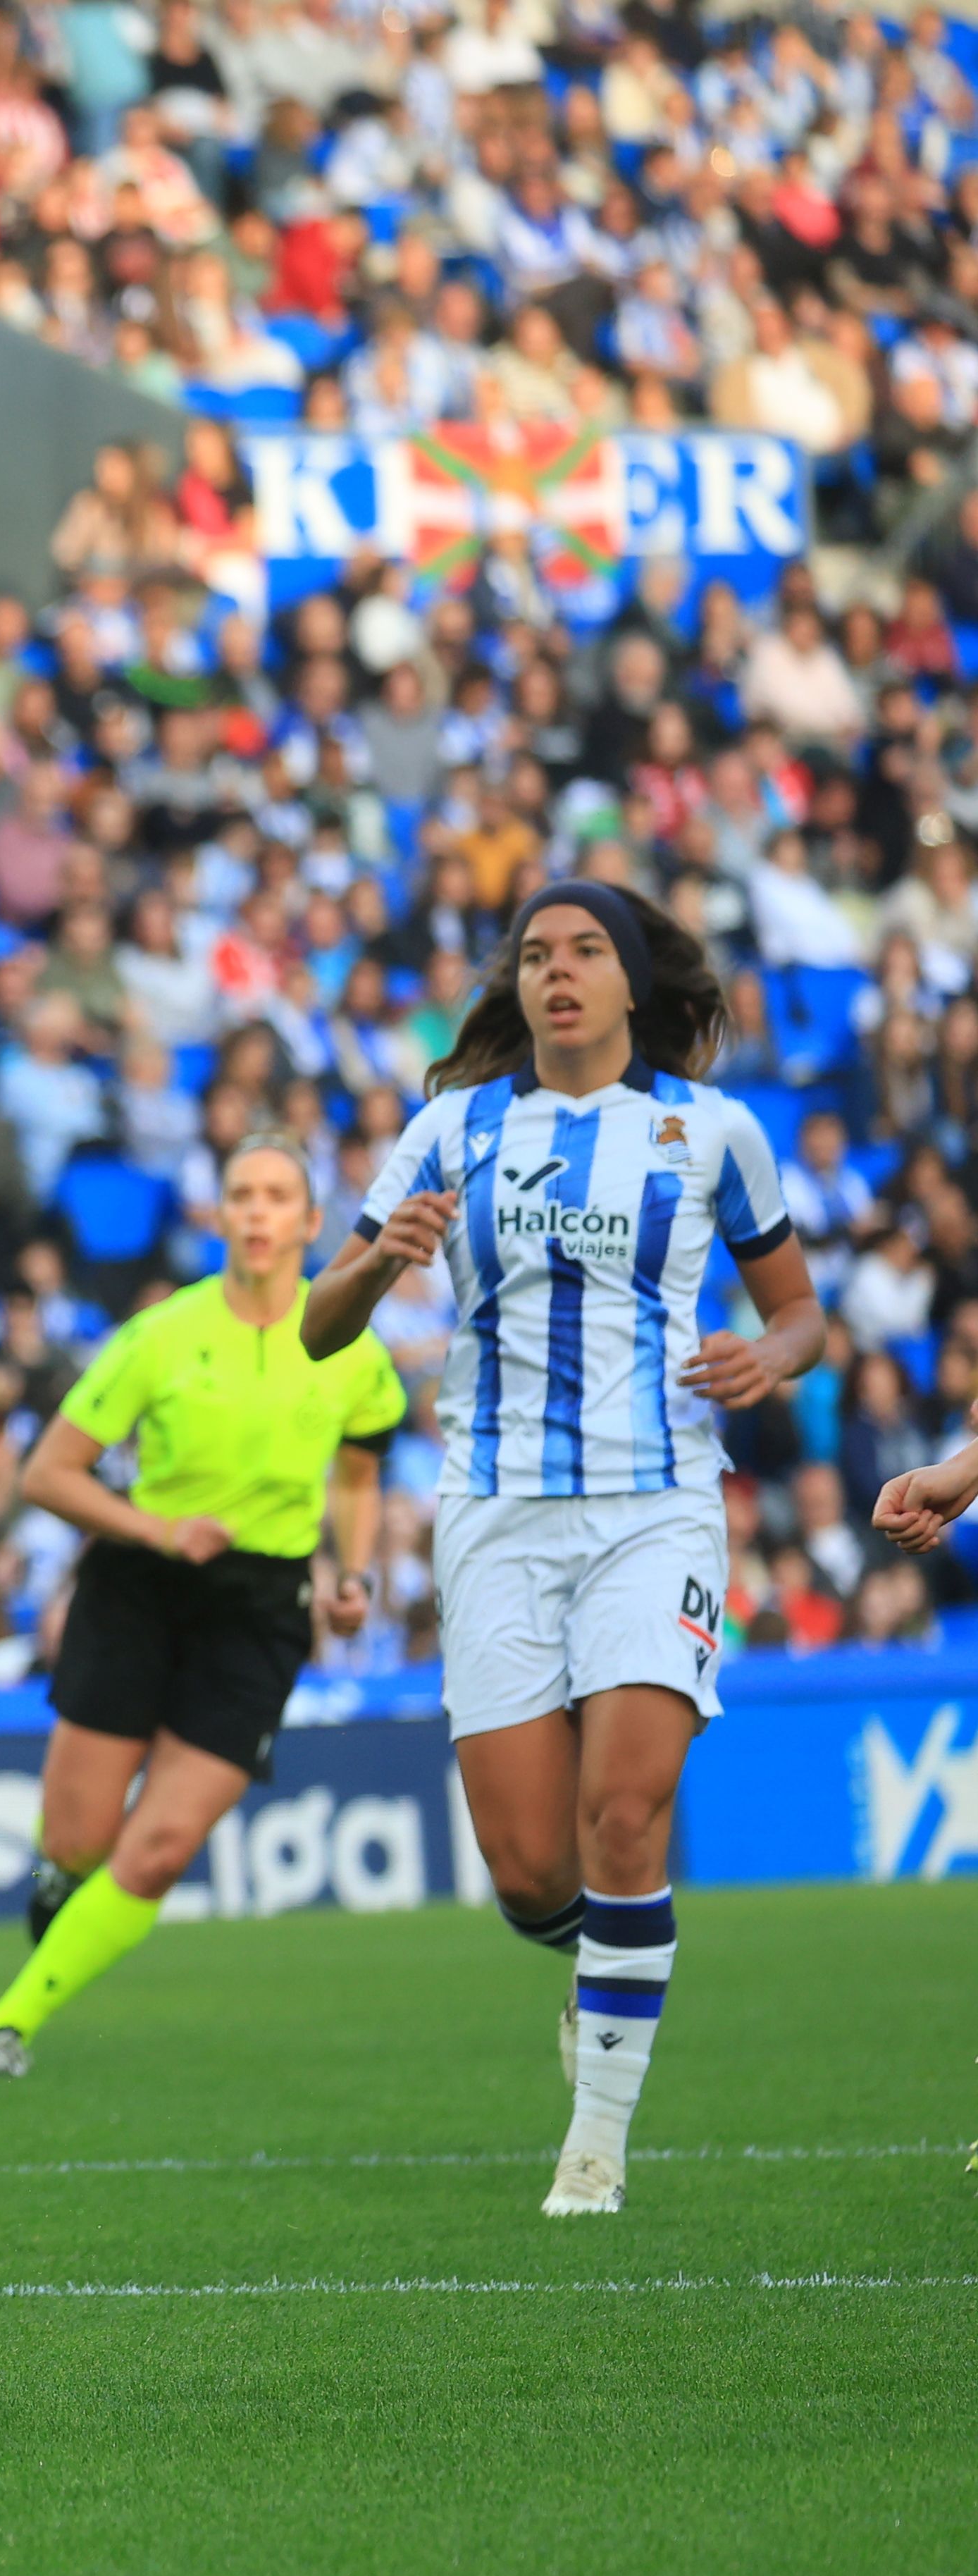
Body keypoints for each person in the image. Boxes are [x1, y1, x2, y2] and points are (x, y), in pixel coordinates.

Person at [301, 880, 819, 2217]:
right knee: (535, 1871)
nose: (559, 973)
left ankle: (594, 2149)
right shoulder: (449, 1129)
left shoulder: (711, 1132)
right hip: (495, 1515)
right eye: (536, 956)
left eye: (587, 951)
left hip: (659, 1504)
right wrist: (377, 1267)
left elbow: (801, 1316)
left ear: (635, 982)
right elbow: (317, 1324)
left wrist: (770, 1357)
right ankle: (595, 1977)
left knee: (626, 1812)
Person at [0, 1136, 404, 2072]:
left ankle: (10, 2022)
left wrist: (355, 1576)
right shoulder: (160, 1334)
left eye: (275, 1195)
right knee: (80, 1843)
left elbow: (362, 1479)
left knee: (163, 1846)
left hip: (261, 1607)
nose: (254, 1212)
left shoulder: (358, 1355)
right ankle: (59, 1902)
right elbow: (48, 1474)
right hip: (142, 1583)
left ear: (309, 1221)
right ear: (216, 1217)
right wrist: (161, 1532)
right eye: (239, 1194)